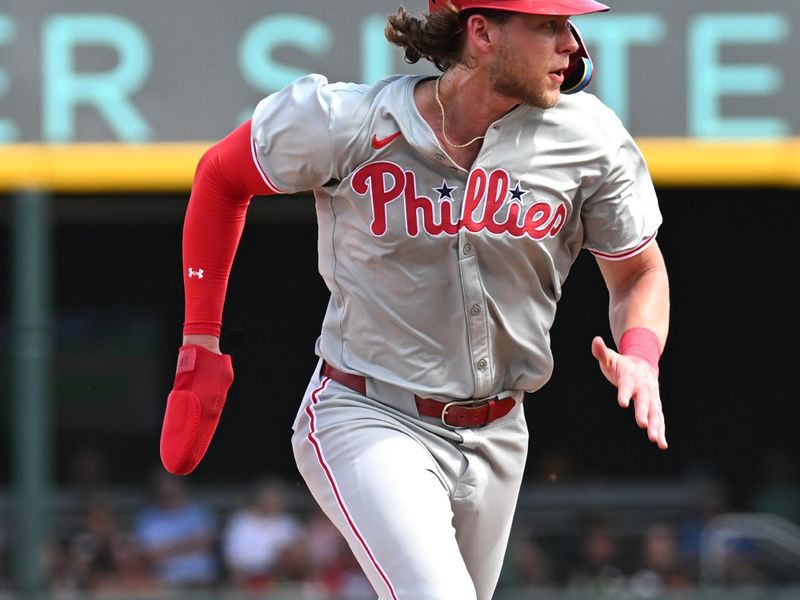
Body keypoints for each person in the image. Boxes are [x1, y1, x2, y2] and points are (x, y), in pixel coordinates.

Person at [159, 0, 670, 598]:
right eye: (550, 26)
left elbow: (639, 274)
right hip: (370, 411)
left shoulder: (588, 137)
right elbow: (221, 177)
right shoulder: (348, 121)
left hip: (501, 432)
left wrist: (641, 351)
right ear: (481, 33)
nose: (573, 46)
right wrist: (201, 344)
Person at [132, 469, 219, 589]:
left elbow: (205, 542)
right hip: (162, 584)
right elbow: (144, 555)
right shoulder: (147, 518)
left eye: (171, 481)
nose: (166, 487)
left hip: (200, 582)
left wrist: (164, 550)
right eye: (161, 482)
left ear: (181, 483)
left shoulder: (199, 513)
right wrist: (186, 544)